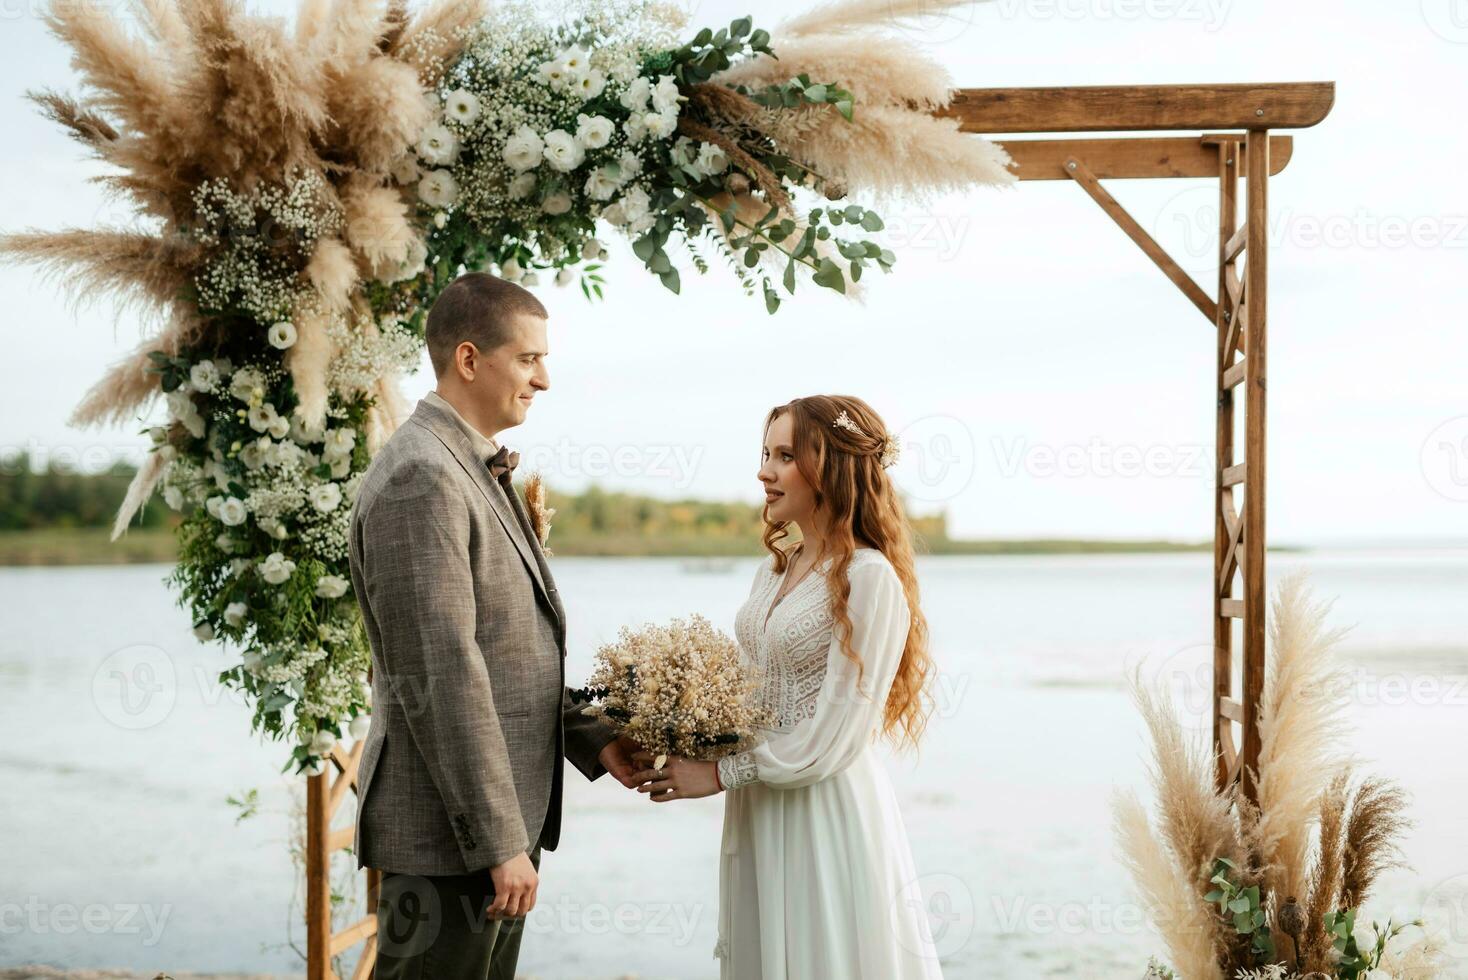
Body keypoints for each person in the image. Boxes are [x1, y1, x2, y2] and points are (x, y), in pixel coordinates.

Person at [346, 272, 642, 980]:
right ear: (470, 359)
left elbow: (508, 655)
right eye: (529, 358)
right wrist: (496, 842)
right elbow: (441, 674)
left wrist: (596, 742)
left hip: (492, 825)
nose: (543, 380)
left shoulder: (468, 466)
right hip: (453, 837)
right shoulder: (421, 478)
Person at [632, 394, 944, 978]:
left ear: (829, 466)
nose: (763, 471)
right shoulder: (774, 568)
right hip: (760, 801)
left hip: (820, 807)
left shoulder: (869, 579)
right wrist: (673, 722)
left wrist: (721, 774)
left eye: (783, 456)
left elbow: (835, 736)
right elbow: (754, 693)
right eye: (764, 453)